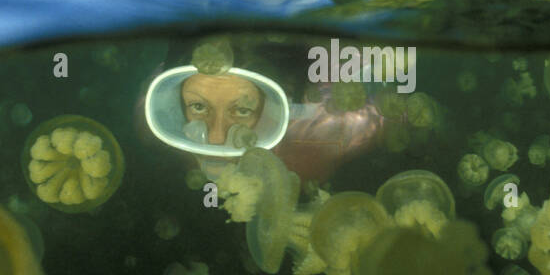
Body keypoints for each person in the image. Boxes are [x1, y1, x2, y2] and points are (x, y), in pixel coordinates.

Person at [141, 62, 385, 183]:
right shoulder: (148, 123)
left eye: (243, 110)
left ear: (272, 112)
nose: (216, 139)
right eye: (198, 106)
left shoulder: (323, 141)